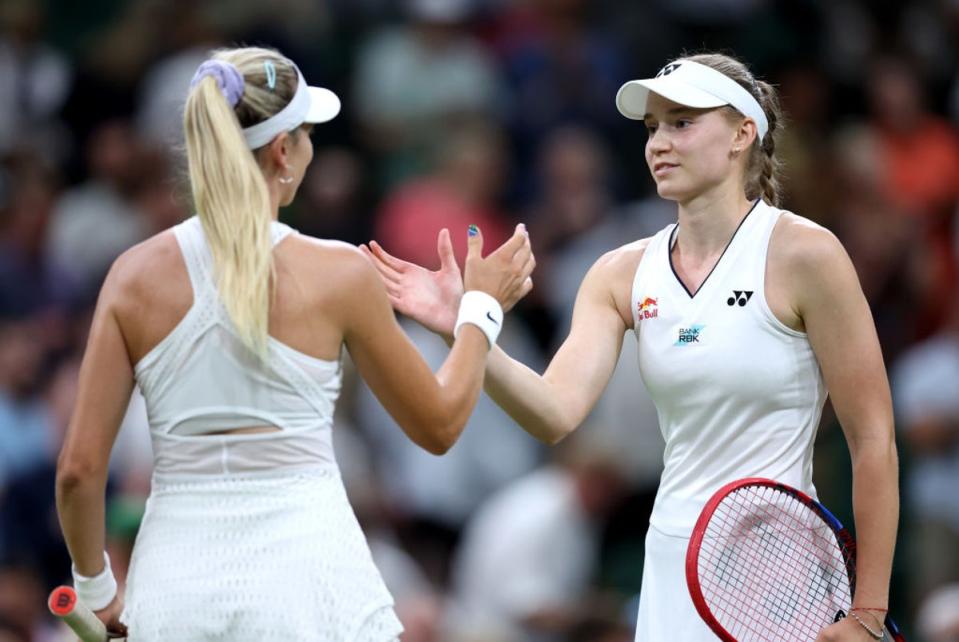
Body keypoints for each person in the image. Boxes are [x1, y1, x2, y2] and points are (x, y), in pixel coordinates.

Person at [363, 52, 900, 641]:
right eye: (652, 128)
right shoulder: (620, 273)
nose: (659, 144)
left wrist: (869, 613)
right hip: (671, 568)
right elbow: (553, 412)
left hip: (779, 570)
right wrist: (465, 328)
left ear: (743, 134)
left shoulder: (807, 254)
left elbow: (872, 437)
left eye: (682, 123)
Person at [54, 46, 534, 641]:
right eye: (307, 135)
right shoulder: (339, 274)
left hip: (174, 593)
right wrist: (479, 312)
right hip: (312, 589)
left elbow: (79, 471)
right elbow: (439, 425)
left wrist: (96, 586)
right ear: (284, 150)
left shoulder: (132, 275)